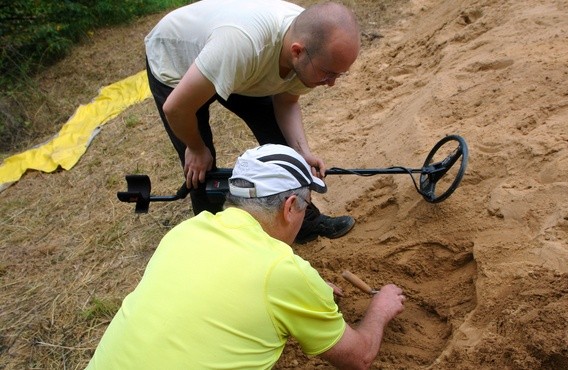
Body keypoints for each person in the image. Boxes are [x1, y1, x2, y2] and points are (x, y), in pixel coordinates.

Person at [86, 144, 405, 369]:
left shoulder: (187, 232)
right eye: (306, 207)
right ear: (290, 206)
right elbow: (359, 357)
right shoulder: (281, 270)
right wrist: (380, 309)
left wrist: (304, 287)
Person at [144, 0, 360, 243]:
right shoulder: (243, 45)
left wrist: (303, 153)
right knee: (202, 168)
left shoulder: (313, 43)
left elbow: (286, 102)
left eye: (338, 74)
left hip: (239, 64)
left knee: (286, 152)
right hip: (177, 62)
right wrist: (194, 147)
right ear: (297, 52)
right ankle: (218, 240)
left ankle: (303, 223)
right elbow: (175, 108)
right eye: (328, 73)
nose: (331, 83)